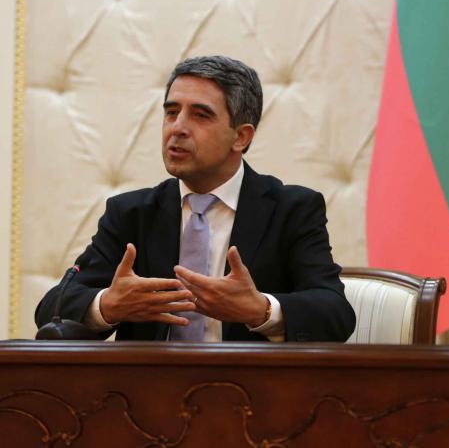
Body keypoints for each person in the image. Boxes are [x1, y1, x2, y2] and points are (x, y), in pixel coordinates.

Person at [35, 56, 356, 342]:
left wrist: (261, 310)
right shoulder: (131, 213)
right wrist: (108, 305)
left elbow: (335, 313)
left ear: (241, 136)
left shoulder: (291, 210)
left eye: (200, 115)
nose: (177, 128)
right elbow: (53, 308)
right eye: (171, 112)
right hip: (147, 387)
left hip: (251, 386)